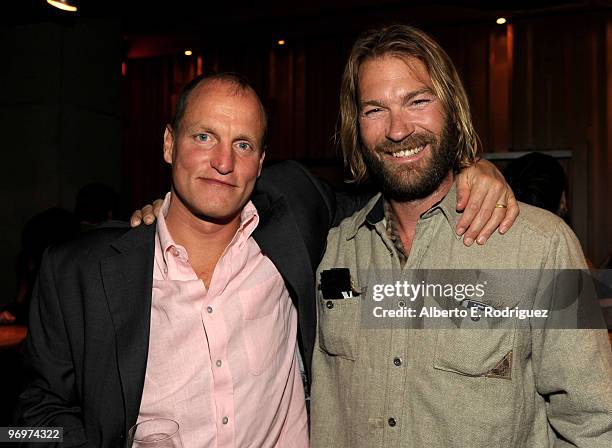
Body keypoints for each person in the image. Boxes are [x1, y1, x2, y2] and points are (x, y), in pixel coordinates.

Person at [17, 72, 515, 447]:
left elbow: (397, 200)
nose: (223, 162)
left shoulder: (295, 219)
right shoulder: (78, 271)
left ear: (261, 159)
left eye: (242, 144)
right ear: (170, 144)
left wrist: (470, 169)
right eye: (203, 136)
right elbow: (30, 421)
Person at [310, 24, 612, 447]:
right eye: (374, 109)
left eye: (417, 101)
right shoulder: (338, 250)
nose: (398, 130)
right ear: (355, 125)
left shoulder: (545, 245)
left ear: (452, 108)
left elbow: (597, 421)